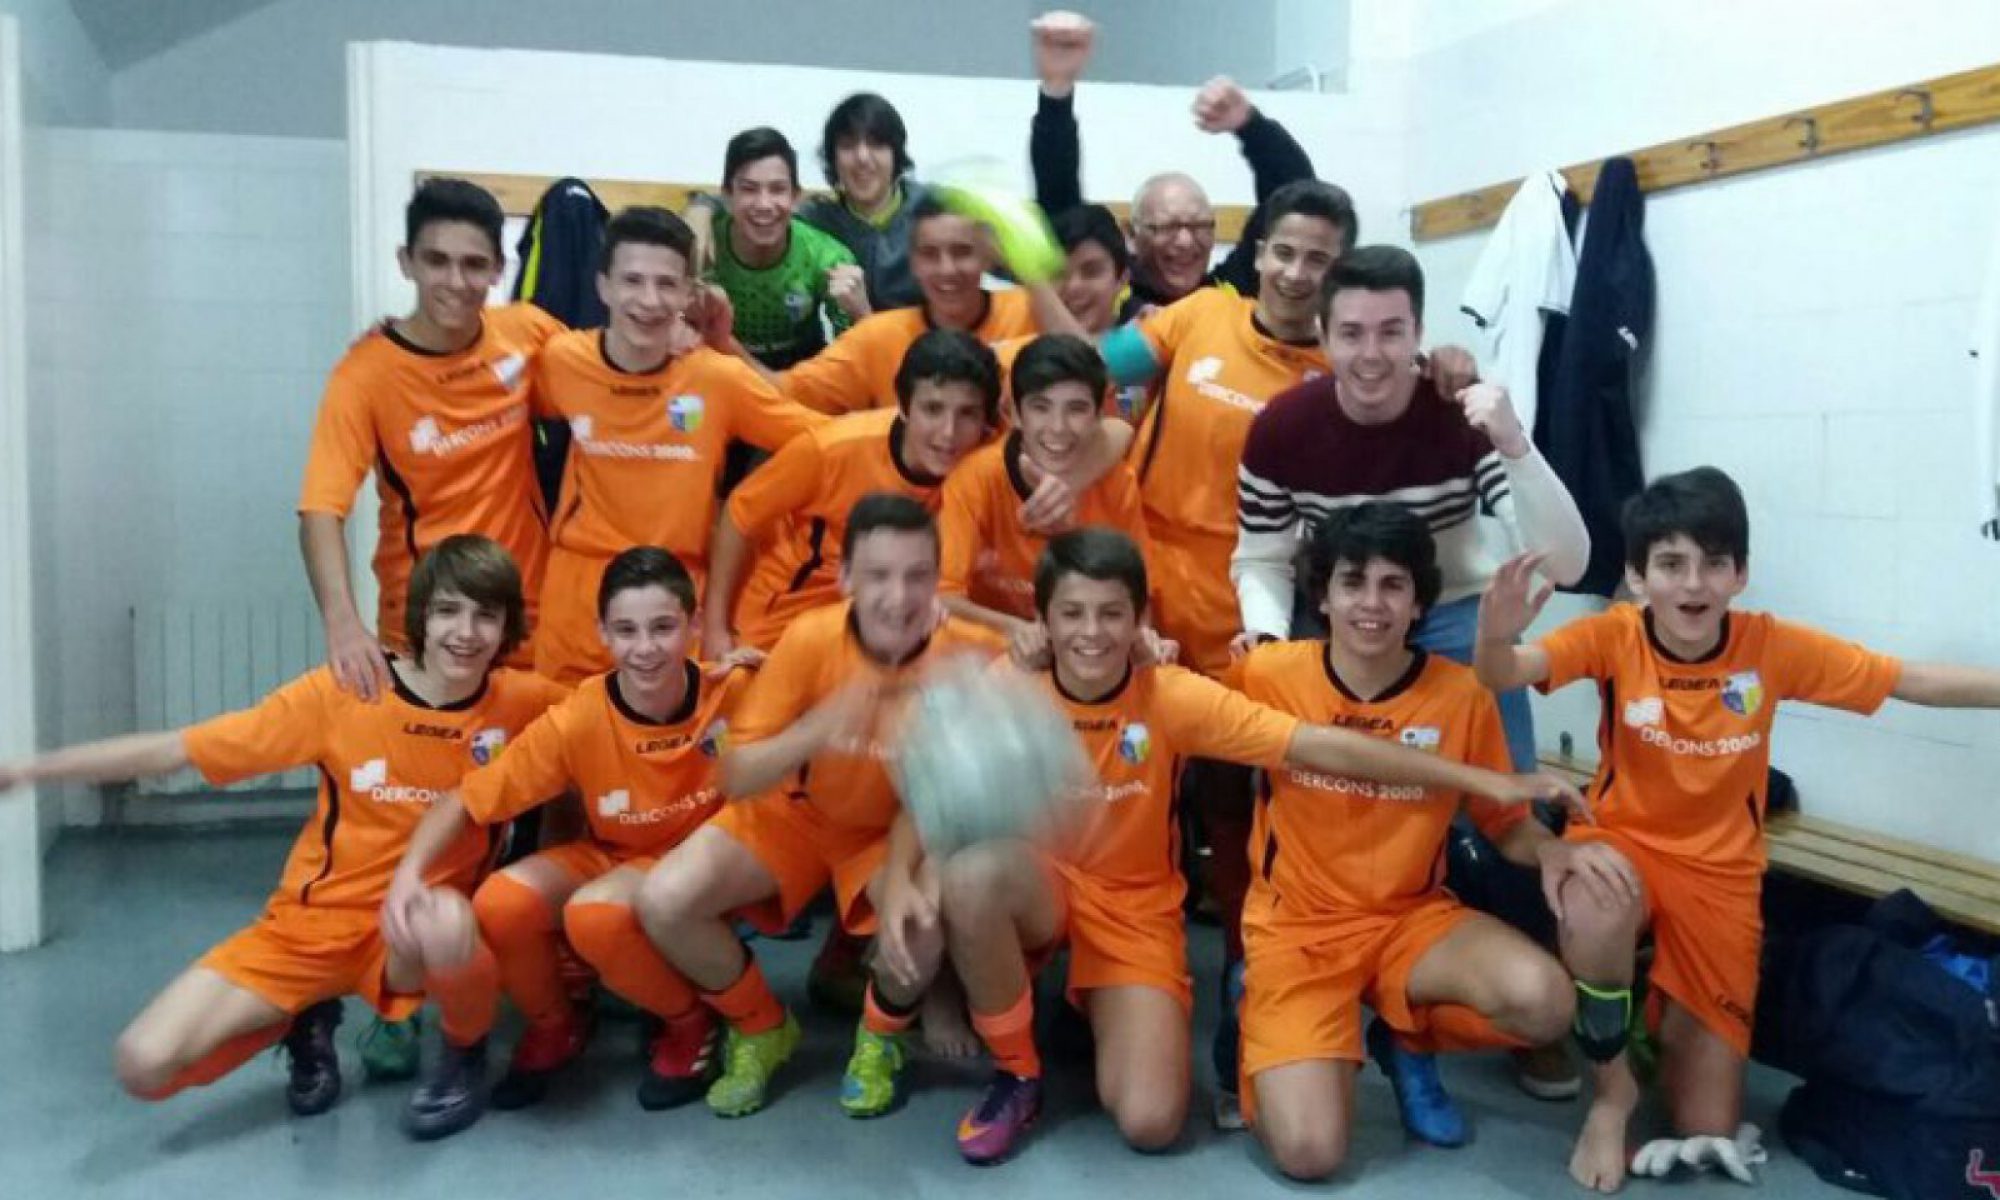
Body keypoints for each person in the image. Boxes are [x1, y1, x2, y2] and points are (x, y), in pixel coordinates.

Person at [931, 528, 1582, 1164]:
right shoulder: (1024, 682)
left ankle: (1406, 1038)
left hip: (1223, 916)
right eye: (1072, 613)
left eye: (1112, 614)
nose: (1092, 631)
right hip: (1258, 922)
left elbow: (1326, 748)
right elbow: (937, 783)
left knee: (1153, 1122)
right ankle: (1017, 1072)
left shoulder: (1176, 693)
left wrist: (1518, 813)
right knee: (969, 877)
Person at [1473, 465, 2000, 1193]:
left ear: (1739, 574)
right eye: (1671, 564)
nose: (1693, 584)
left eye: (1714, 563)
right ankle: (1612, 1095)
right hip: (1623, 844)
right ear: (1637, 576)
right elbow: (1503, 672)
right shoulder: (1612, 637)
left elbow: (1907, 679)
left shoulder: (1768, 646)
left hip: (1722, 878)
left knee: (1708, 1123)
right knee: (1594, 909)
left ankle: (1652, 1016)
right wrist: (1494, 634)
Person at [0, 537, 566, 1139]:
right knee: (143, 1065)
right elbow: (175, 750)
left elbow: (612, 715)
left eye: (486, 615)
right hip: (311, 928)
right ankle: (299, 1015)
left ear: (507, 628)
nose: (466, 632)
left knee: (447, 919)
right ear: (421, 614)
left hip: (412, 934)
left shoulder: (521, 703)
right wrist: (32, 770)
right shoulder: (347, 692)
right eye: (449, 610)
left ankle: (462, 1057)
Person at [1234, 504, 1581, 1179]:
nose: (1372, 603)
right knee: (1309, 1153)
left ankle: (1407, 1038)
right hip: (1297, 930)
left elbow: (1505, 820)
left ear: (1419, 603)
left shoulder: (1461, 695)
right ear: (1322, 597)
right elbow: (1179, 715)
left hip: (1410, 923)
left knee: (1546, 1002)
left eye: (1393, 585)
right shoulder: (1268, 675)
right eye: (1353, 582)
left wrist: (1554, 850)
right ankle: (1270, 1014)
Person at [635, 494, 1003, 1120]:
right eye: (878, 575)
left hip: (892, 835)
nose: (898, 596)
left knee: (920, 925)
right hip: (795, 814)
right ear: (846, 578)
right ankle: (761, 1027)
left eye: (916, 575)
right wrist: (819, 727)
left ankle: (880, 1040)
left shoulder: (971, 656)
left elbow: (948, 796)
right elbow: (736, 775)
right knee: (665, 900)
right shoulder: (809, 639)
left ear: (937, 580)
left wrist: (1142, 648)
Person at [386, 547, 761, 1113]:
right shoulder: (579, 716)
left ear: (693, 623)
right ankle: (557, 1024)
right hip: (615, 856)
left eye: (663, 627)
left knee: (595, 916)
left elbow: (822, 689)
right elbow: (467, 799)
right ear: (602, 634)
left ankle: (690, 1022)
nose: (645, 648)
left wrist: (776, 668)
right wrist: (408, 875)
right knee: (501, 904)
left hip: (699, 870)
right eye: (626, 630)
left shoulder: (736, 688)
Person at [529, 206, 825, 683]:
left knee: (682, 729)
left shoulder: (716, 378)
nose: (649, 300)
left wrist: (756, 504)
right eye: (632, 281)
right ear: (603, 286)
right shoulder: (562, 361)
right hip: (579, 594)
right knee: (565, 726)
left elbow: (824, 442)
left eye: (666, 284)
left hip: (677, 592)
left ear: (689, 293)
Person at [299, 178, 565, 699]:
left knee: (537, 755)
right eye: (437, 261)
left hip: (524, 618)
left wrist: (688, 333)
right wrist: (342, 623)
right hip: (426, 626)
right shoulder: (365, 374)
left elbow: (609, 372)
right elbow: (320, 512)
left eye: (473, 264)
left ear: (498, 269)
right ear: (407, 262)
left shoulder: (528, 332)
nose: (455, 281)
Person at [703, 329, 1000, 657]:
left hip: (902, 610)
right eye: (932, 409)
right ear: (903, 407)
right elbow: (740, 513)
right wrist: (715, 628)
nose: (948, 432)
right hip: (792, 610)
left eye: (967, 414)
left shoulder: (987, 459)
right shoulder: (831, 449)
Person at [1028, 11, 1315, 316]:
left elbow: (1298, 202)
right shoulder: (1107, 298)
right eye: (1167, 226)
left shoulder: (1231, 292)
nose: (1185, 241)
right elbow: (1062, 211)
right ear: (1132, 236)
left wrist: (1251, 126)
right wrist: (1056, 93)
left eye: (1200, 225)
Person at [719, 195, 1068, 417]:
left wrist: (1032, 274)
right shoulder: (878, 336)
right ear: (913, 263)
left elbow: (1088, 363)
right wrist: (722, 340)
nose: (947, 269)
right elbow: (785, 391)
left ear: (986, 257)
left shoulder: (1032, 312)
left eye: (962, 252)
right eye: (930, 254)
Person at [938, 333, 1153, 662]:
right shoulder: (974, 479)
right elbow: (943, 597)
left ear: (1099, 415)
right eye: (1041, 407)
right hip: (992, 657)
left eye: (1077, 409)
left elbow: (1139, 599)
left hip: (1086, 656)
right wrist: (1021, 632)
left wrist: (1145, 642)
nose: (1058, 427)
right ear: (1014, 414)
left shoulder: (1118, 483)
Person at [704, 127, 871, 369]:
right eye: (749, 189)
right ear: (727, 196)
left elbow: (856, 359)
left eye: (777, 189)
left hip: (802, 376)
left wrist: (861, 314)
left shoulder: (829, 259)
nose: (764, 204)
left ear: (796, 198)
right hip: (720, 373)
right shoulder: (704, 248)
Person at [794, 92, 934, 311]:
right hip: (853, 332)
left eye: (876, 144)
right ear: (833, 158)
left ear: (895, 154)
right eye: (848, 145)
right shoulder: (816, 220)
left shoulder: (937, 209)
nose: (862, 158)